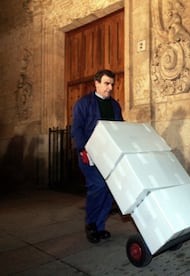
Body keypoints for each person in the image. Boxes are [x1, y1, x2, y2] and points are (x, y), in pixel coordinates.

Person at [71, 69, 123, 243]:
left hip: (109, 156)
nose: (110, 88)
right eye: (106, 83)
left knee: (109, 190)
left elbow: (120, 129)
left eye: (112, 84)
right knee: (99, 186)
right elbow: (77, 129)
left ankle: (100, 227)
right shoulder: (83, 103)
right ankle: (91, 223)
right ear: (97, 83)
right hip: (89, 155)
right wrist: (83, 149)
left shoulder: (115, 106)